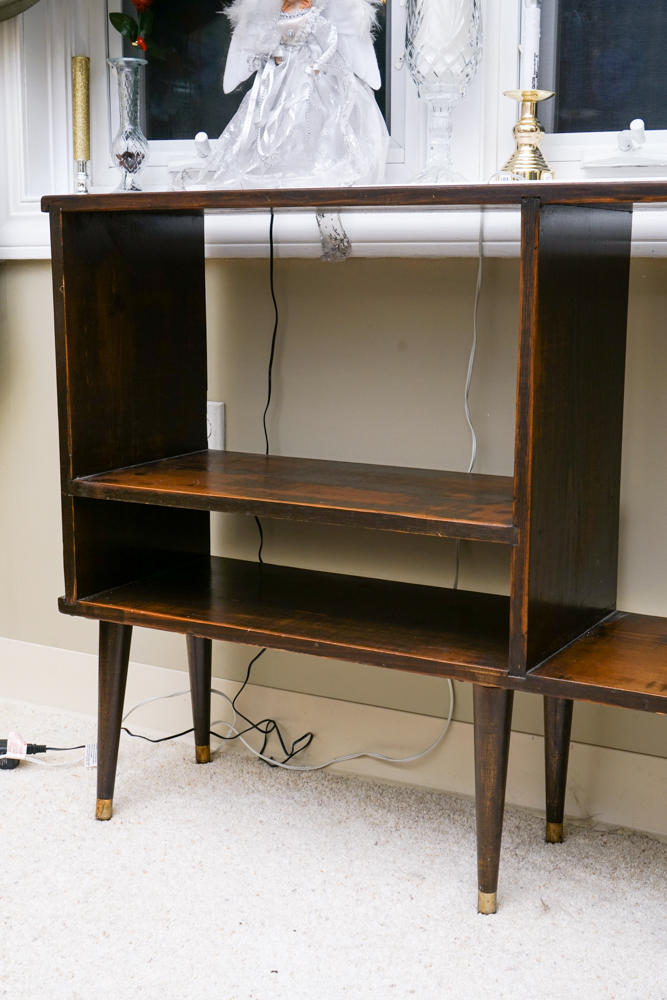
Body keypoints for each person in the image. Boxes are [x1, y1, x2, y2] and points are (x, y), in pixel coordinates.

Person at [173, 0, 388, 188]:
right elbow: (271, 42)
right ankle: (276, 166)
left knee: (311, 111)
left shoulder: (314, 15)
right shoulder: (279, 16)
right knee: (273, 112)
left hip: (309, 69)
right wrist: (275, 54)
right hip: (282, 70)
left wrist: (320, 63)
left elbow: (330, 40)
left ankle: (313, 165)